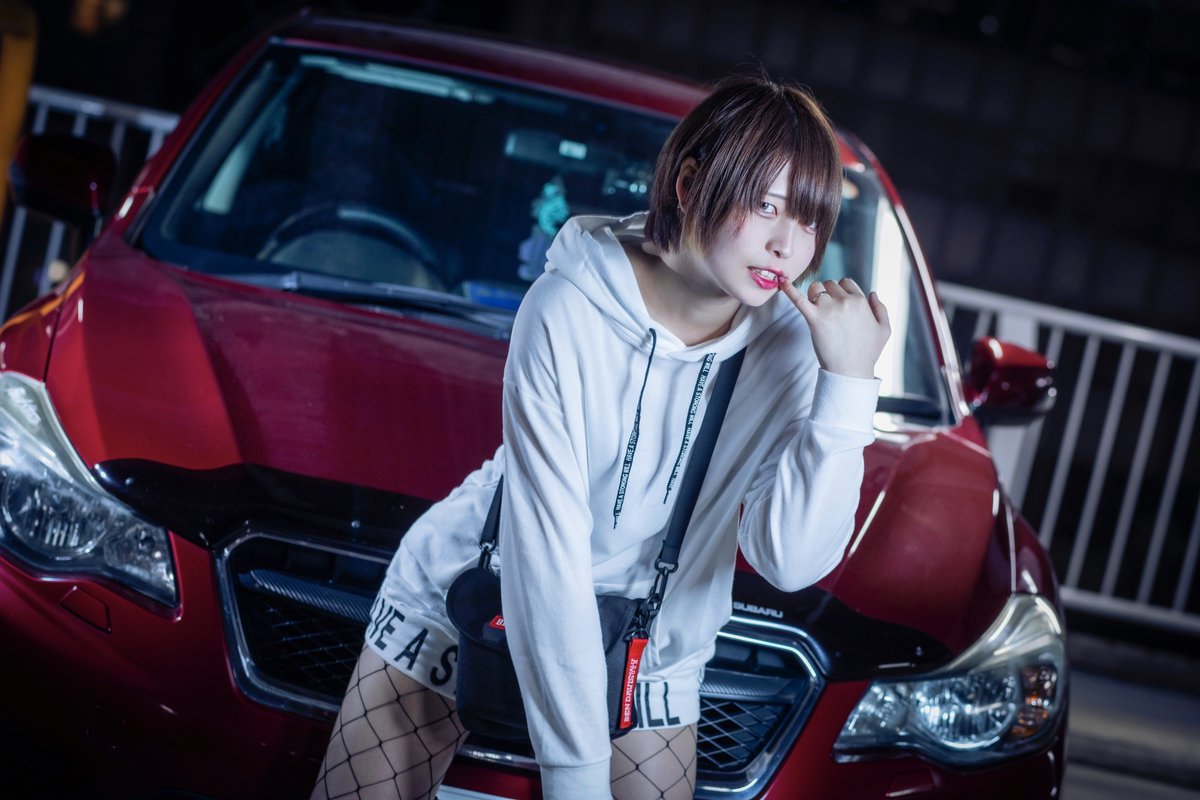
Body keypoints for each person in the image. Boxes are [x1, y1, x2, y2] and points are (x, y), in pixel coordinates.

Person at [310, 72, 891, 800]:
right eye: (766, 205)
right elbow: (545, 554)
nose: (786, 245)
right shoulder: (566, 308)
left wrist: (846, 386)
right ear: (689, 185)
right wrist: (576, 779)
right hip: (475, 589)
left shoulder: (792, 349)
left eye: (808, 220)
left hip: (653, 639)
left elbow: (790, 560)